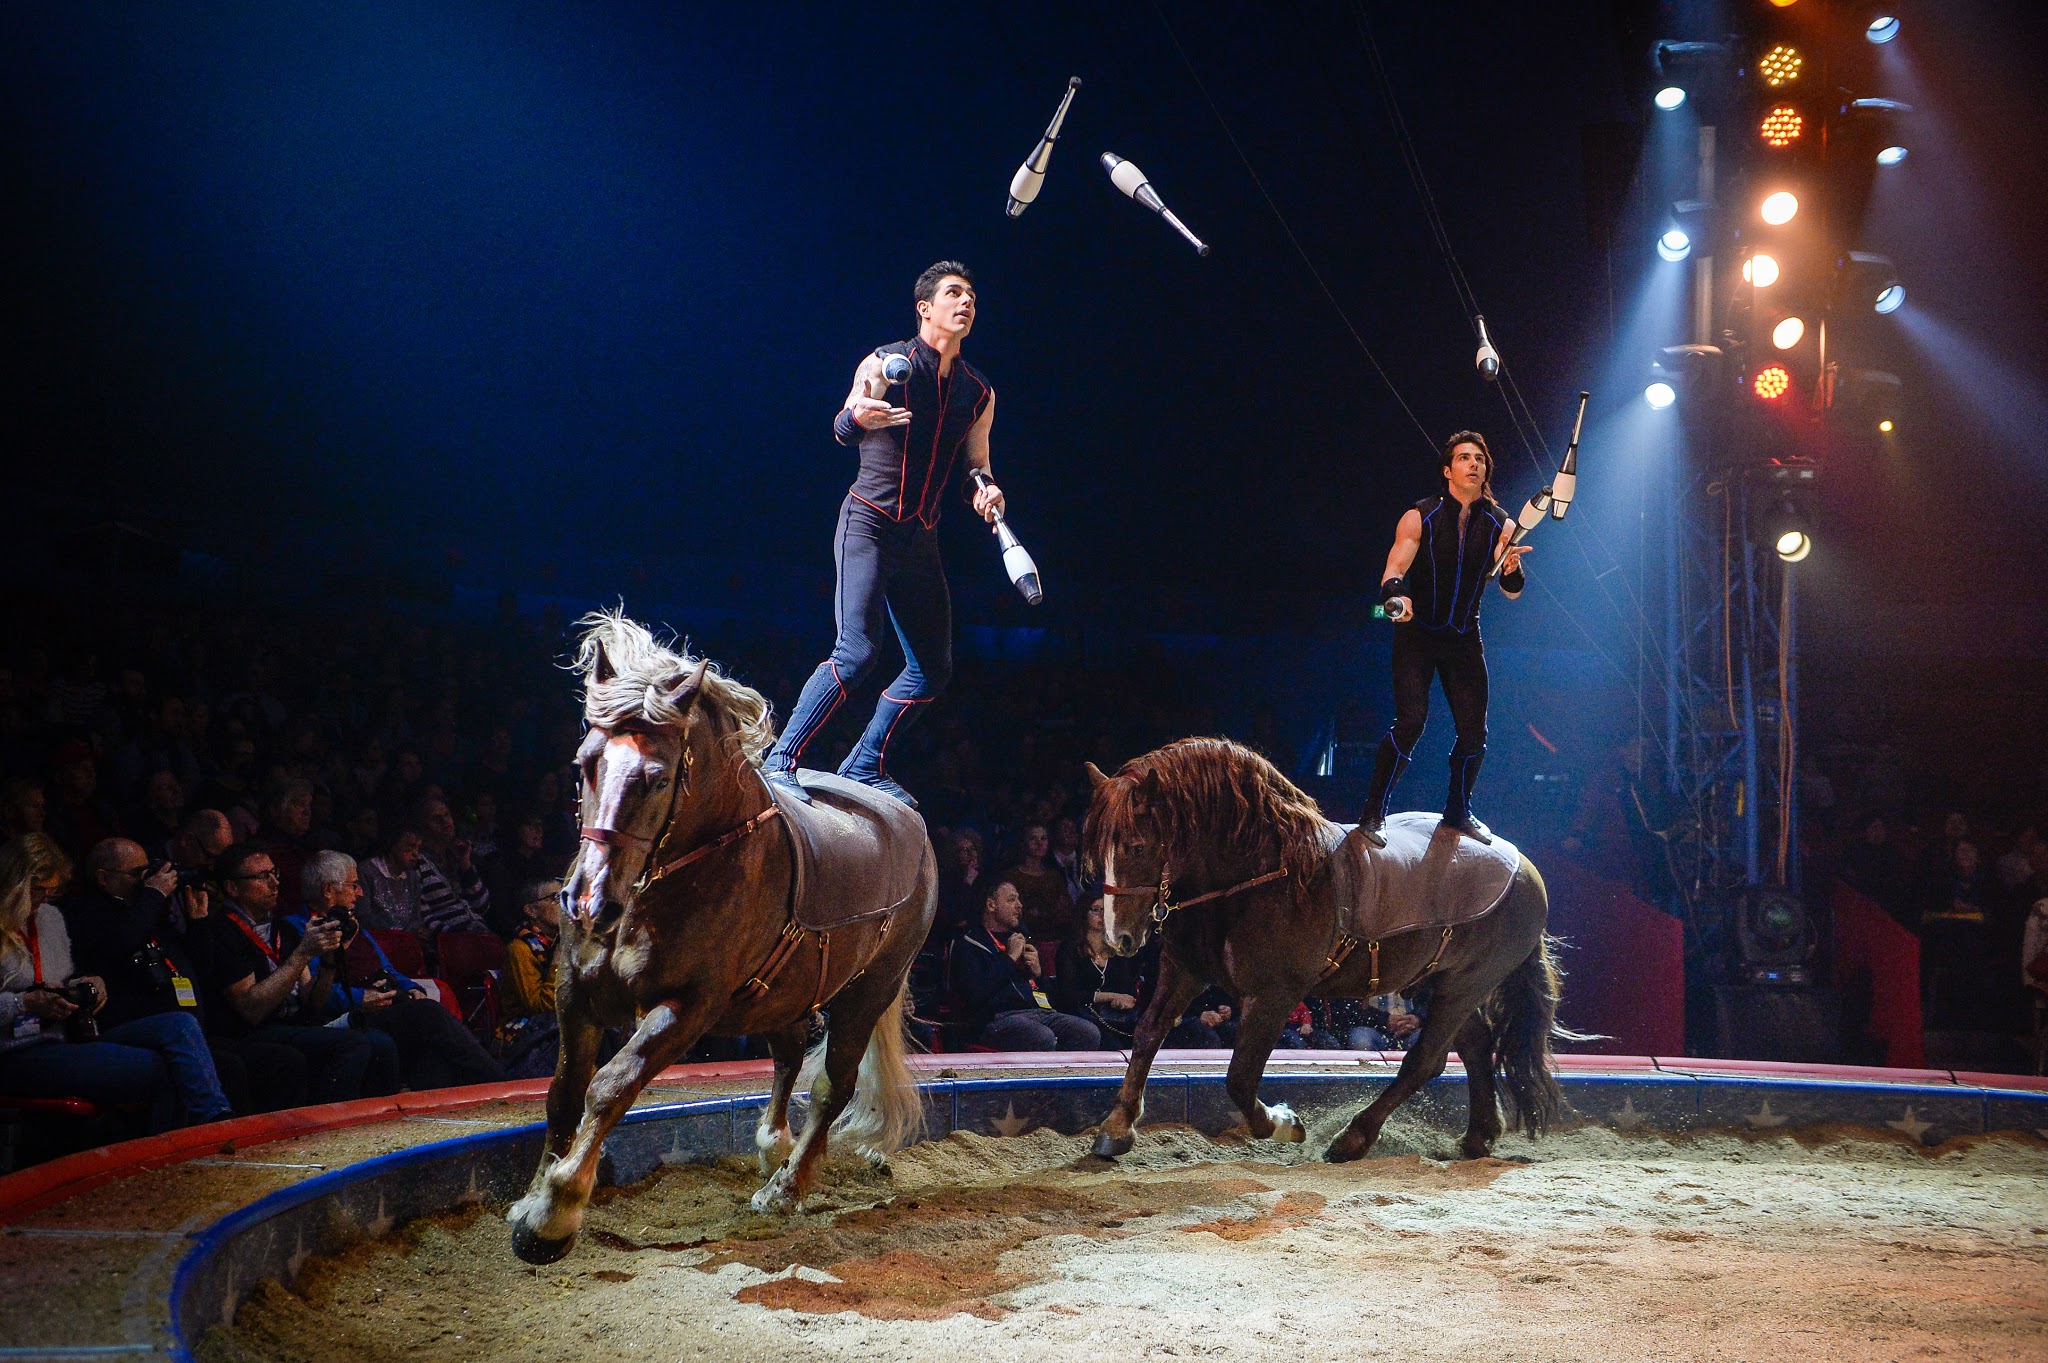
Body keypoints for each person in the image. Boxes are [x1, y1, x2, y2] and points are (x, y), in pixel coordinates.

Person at [762, 261, 1006, 810]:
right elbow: (842, 426)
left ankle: (864, 762)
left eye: (971, 295)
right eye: (953, 293)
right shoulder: (886, 363)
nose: (966, 302)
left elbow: (976, 464)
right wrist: (860, 419)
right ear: (925, 308)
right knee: (857, 652)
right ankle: (780, 760)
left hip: (920, 539)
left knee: (933, 669)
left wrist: (986, 490)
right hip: (869, 523)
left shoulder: (978, 392)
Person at [1363, 430, 1529, 845]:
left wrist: (1511, 569)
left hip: (1463, 638)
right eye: (1464, 457)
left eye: (1480, 459)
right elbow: (1393, 571)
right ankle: (1373, 813)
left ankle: (1457, 811)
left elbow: (1511, 592)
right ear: (1447, 470)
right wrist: (1397, 597)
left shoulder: (1501, 523)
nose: (1474, 464)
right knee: (1411, 722)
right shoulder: (1419, 516)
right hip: (1417, 635)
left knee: (1475, 733)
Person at [0, 834, 230, 1130]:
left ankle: (218, 1121)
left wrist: (88, 983)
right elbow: (118, 942)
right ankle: (172, 1148)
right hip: (14, 1049)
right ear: (15, 883)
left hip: (64, 1035)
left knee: (180, 1024)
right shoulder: (86, 911)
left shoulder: (49, 917)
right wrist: (23, 1002)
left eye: (51, 892)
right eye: (38, 890)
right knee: (159, 1067)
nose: (43, 899)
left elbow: (66, 977)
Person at [201, 843, 399, 1103]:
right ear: (232, 888)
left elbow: (313, 1001)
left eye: (274, 873)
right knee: (351, 1045)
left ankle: (383, 1119)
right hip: (250, 1031)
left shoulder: (281, 928)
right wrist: (303, 953)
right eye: (262, 876)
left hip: (293, 1023)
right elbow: (251, 1010)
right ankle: (330, 1122)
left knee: (380, 1043)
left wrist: (330, 960)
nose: (275, 883)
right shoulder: (223, 931)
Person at [296, 852, 504, 1091]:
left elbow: (386, 968)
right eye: (353, 885)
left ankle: (449, 1103)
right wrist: (361, 998)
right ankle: (499, 1083)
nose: (360, 893)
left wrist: (410, 987)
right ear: (328, 890)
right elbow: (313, 994)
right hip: (348, 1016)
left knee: (428, 1036)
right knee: (428, 1014)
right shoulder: (300, 929)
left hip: (383, 1003)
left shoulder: (353, 926)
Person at [949, 880, 1098, 1051]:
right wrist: (1010, 958)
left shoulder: (1022, 938)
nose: (1019, 905)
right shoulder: (969, 943)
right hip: (996, 1019)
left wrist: (1039, 974)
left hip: (1039, 1012)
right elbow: (975, 995)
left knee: (1088, 1032)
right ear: (991, 905)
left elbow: (1050, 996)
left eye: (1018, 899)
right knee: (1042, 1036)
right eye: (1011, 900)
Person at [1051, 897, 1142, 1043]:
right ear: (1083, 914)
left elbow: (1128, 988)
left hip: (1117, 1017)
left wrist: (1124, 1001)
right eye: (1096, 910)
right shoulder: (1069, 949)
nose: (1102, 915)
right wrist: (1109, 996)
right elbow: (1068, 994)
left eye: (1106, 910)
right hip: (1081, 1017)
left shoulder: (1118, 950)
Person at [498, 877, 562, 1078]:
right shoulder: (520, 949)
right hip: (524, 1032)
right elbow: (540, 1008)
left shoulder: (558, 942)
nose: (564, 903)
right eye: (555, 898)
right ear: (532, 911)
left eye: (564, 895)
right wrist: (558, 961)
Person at [1005, 822, 1074, 940]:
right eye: (1033, 838)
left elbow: (1065, 910)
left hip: (1055, 938)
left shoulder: (1054, 876)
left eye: (1043, 838)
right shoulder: (1012, 876)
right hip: (1022, 937)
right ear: (1024, 842)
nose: (1039, 843)